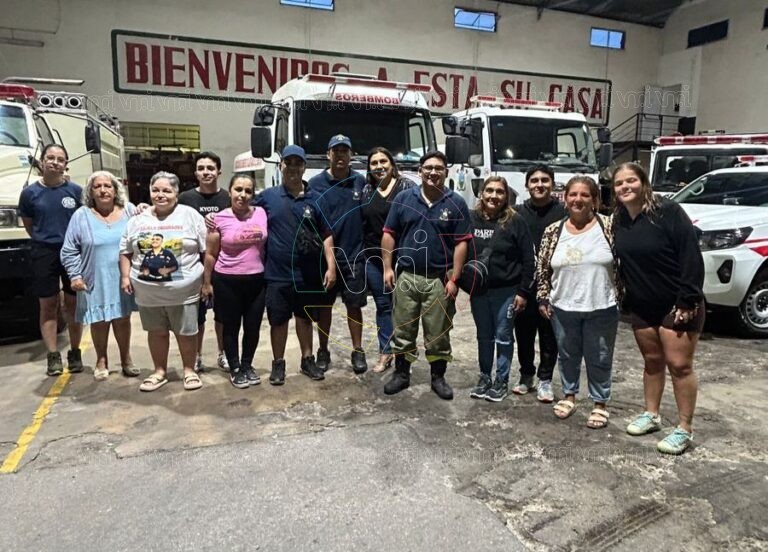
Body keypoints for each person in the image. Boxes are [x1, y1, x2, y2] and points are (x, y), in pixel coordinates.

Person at [612, 162, 704, 454]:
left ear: (644, 182)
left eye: (631, 181)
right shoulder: (620, 219)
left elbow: (691, 255)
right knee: (652, 362)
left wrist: (688, 299)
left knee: (679, 366)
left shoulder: (668, 212)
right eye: (619, 184)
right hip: (642, 303)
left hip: (677, 303)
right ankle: (651, 414)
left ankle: (684, 429)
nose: (625, 187)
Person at [381, 151, 472, 400]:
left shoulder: (456, 203)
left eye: (439, 168)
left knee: (438, 332)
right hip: (407, 277)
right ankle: (401, 373)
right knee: (403, 329)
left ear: (446, 172)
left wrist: (454, 279)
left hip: (438, 280)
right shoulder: (403, 199)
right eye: (428, 167)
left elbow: (462, 243)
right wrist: (388, 268)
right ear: (420, 171)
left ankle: (438, 376)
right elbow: (389, 234)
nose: (433, 172)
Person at [536, 176, 621, 429]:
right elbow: (542, 267)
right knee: (567, 355)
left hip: (601, 305)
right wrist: (542, 296)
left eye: (585, 195)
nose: (578, 200)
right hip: (563, 306)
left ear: (594, 200)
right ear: (565, 199)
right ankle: (570, 395)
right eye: (573, 194)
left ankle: (599, 403)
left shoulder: (609, 227)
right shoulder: (553, 231)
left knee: (600, 357)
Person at [254, 145, 336, 384]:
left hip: (308, 274)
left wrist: (330, 267)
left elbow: (327, 235)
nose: (292, 168)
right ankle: (278, 364)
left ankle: (307, 360)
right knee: (278, 321)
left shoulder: (317, 199)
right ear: (281, 166)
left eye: (297, 163)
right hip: (277, 274)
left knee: (305, 318)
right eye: (288, 163)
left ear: (304, 167)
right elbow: (243, 211)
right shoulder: (267, 197)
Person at [119, 171, 207, 392]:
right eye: (156, 190)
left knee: (186, 331)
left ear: (176, 193)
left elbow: (206, 251)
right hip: (148, 293)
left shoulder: (190, 215)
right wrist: (124, 276)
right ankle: (159, 371)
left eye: (167, 190)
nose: (161, 195)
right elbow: (125, 251)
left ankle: (189, 370)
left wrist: (207, 281)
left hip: (184, 291)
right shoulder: (138, 220)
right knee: (156, 331)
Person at [60, 171, 138, 381]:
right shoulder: (81, 215)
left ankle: (126, 360)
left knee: (123, 319)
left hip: (123, 277)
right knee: (99, 321)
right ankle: (101, 360)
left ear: (115, 190)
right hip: (94, 278)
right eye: (97, 187)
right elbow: (69, 249)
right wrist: (75, 275)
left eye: (108, 186)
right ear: (90, 192)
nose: (103, 190)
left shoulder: (130, 211)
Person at [18, 144, 84, 376]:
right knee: (49, 304)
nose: (55, 162)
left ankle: (75, 352)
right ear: (42, 161)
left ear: (66, 164)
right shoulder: (29, 194)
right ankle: (53, 356)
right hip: (43, 253)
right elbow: (29, 225)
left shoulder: (76, 192)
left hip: (73, 253)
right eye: (51, 158)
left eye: (60, 159)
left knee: (73, 304)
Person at [468, 176, 535, 402]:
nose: (493, 196)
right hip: (478, 292)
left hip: (506, 291)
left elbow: (528, 259)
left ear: (506, 196)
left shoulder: (516, 221)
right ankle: (485, 377)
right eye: (489, 191)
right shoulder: (471, 219)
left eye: (499, 192)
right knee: (483, 337)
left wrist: (523, 292)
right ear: (482, 193)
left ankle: (501, 380)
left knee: (503, 336)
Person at [308, 135, 368, 374]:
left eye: (345, 151)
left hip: (354, 256)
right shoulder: (314, 184)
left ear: (351, 155)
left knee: (355, 306)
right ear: (328, 155)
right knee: (324, 307)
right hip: (324, 259)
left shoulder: (360, 181)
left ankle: (358, 350)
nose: (341, 155)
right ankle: (323, 349)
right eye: (336, 151)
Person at [202, 175, 268, 389]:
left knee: (252, 327)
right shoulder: (218, 219)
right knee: (230, 327)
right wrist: (207, 283)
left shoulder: (260, 213)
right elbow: (210, 254)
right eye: (238, 189)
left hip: (256, 280)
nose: (243, 195)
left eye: (248, 191)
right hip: (227, 281)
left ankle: (247, 365)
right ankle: (235, 367)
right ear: (229, 192)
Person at [512, 165, 566, 402]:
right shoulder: (516, 213)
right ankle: (526, 375)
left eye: (545, 180)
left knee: (548, 336)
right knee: (523, 333)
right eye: (534, 180)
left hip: (553, 286)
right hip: (523, 286)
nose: (539, 184)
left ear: (552, 185)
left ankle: (545, 379)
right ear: (527, 185)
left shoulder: (564, 212)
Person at [361, 147, 415, 373]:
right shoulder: (366, 189)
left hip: (402, 260)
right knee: (383, 306)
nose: (379, 166)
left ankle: (405, 355)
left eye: (383, 161)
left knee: (406, 309)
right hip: (374, 259)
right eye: (374, 163)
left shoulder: (408, 188)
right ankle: (386, 351)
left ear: (392, 164)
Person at [178, 152, 230, 372]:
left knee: (223, 314)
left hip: (224, 267)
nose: (206, 172)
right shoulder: (184, 199)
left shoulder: (228, 197)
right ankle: (197, 355)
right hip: (193, 268)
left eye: (210, 168)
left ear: (219, 171)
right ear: (195, 173)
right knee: (197, 316)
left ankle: (223, 353)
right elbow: (165, 212)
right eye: (201, 168)